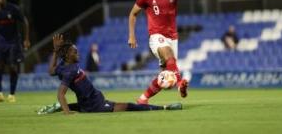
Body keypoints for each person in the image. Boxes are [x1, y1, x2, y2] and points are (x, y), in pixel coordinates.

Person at [128, 0, 227, 104]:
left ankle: (143, 99)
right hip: (156, 37)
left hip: (173, 38)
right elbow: (133, 14)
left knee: (166, 76)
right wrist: (132, 35)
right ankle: (180, 83)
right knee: (168, 57)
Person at [37, 34, 182, 115]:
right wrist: (67, 112)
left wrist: (56, 52)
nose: (78, 53)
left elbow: (51, 71)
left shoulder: (64, 66)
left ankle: (58, 107)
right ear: (68, 55)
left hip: (89, 101)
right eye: (75, 52)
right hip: (96, 105)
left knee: (83, 106)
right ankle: (165, 108)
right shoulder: (70, 70)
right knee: (129, 107)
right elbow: (61, 93)